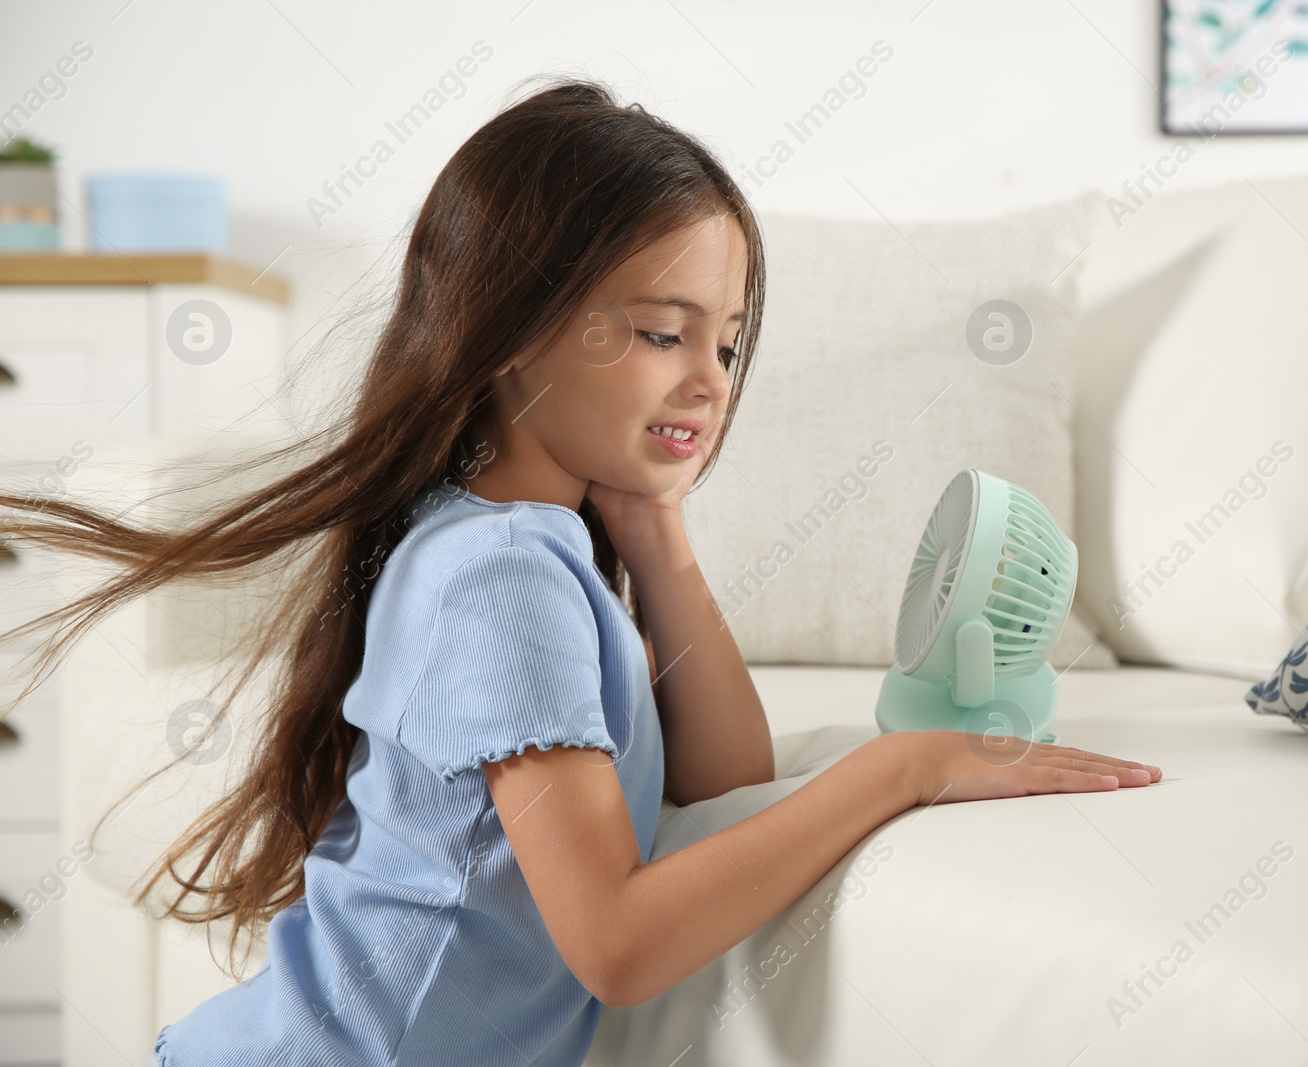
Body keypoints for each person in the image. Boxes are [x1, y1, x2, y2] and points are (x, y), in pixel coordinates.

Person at [0, 77, 1160, 1067]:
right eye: (663, 332)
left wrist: (657, 541)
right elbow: (616, 940)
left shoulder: (529, 544)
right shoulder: (501, 574)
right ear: (507, 325)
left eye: (727, 340)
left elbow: (721, 777)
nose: (709, 376)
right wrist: (900, 767)